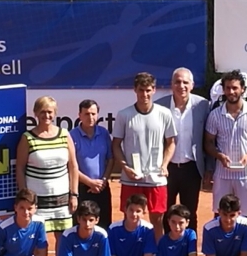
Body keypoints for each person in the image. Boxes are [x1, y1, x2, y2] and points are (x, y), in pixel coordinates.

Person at [113, 72, 177, 240]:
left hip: (156, 178)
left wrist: (164, 165)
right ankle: (130, 254)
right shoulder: (124, 115)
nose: (145, 94)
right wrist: (126, 168)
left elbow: (171, 143)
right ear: (135, 90)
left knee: (157, 219)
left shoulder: (164, 114)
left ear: (154, 90)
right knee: (130, 218)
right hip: (131, 178)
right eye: (141, 90)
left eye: (148, 90)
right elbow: (116, 145)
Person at [204, 70, 247, 229]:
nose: (231, 92)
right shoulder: (215, 115)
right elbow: (208, 143)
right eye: (227, 88)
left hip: (246, 174)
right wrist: (219, 156)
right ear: (223, 90)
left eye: (235, 88)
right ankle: (219, 250)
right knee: (219, 214)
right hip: (222, 174)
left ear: (243, 89)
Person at [155, 67, 214, 234]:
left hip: (192, 168)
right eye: (178, 82)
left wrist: (209, 167)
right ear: (171, 84)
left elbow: (208, 139)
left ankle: (190, 251)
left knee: (190, 213)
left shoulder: (203, 105)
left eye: (185, 82)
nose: (181, 85)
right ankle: (168, 251)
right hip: (167, 169)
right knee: (166, 211)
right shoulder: (160, 106)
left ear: (192, 85)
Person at [16, 96, 80, 242]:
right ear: (36, 113)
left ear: (55, 113)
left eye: (50, 112)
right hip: (37, 200)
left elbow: (73, 166)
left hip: (62, 200)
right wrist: (24, 196)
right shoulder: (27, 138)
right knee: (36, 240)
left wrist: (74, 195)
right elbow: (20, 168)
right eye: (42, 112)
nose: (46, 116)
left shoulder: (64, 135)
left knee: (63, 240)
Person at [70, 99, 114, 228]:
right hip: (81, 188)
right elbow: (71, 166)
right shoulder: (71, 136)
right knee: (81, 226)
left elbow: (110, 159)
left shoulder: (104, 133)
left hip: (103, 187)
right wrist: (89, 182)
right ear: (80, 115)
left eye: (93, 114)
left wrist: (104, 180)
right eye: (87, 114)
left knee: (104, 225)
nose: (91, 117)